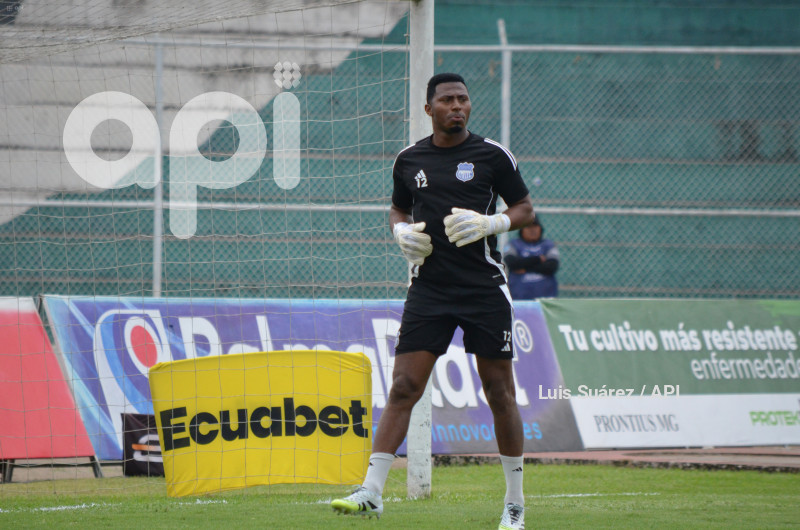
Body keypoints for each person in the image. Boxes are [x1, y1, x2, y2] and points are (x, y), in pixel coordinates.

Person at [330, 72, 533, 530]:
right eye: (447, 100)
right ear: (429, 109)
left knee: (499, 392)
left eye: (463, 99)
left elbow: (524, 208)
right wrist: (399, 230)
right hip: (429, 289)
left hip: (484, 288)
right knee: (404, 386)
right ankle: (372, 492)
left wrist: (493, 225)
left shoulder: (492, 155)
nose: (457, 106)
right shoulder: (409, 159)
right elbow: (398, 208)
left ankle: (515, 504)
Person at [503, 217, 559, 299]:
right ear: (521, 230)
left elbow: (552, 266)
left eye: (535, 226)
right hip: (518, 299)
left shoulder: (548, 245)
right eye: (528, 227)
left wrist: (524, 268)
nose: (532, 230)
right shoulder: (513, 244)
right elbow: (512, 263)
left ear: (540, 229)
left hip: (546, 300)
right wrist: (538, 259)